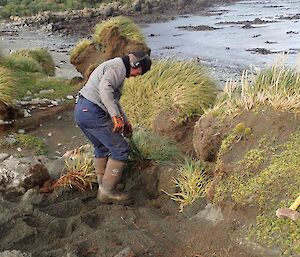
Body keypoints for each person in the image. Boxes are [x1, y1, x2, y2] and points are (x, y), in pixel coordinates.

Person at [74, 50, 152, 205]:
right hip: (92, 111)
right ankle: (107, 191)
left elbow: (113, 100)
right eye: (139, 71)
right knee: (121, 149)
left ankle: (105, 182)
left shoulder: (116, 67)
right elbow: (105, 89)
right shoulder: (118, 68)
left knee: (101, 147)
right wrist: (115, 117)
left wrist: (125, 121)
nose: (137, 75)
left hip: (82, 109)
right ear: (135, 64)